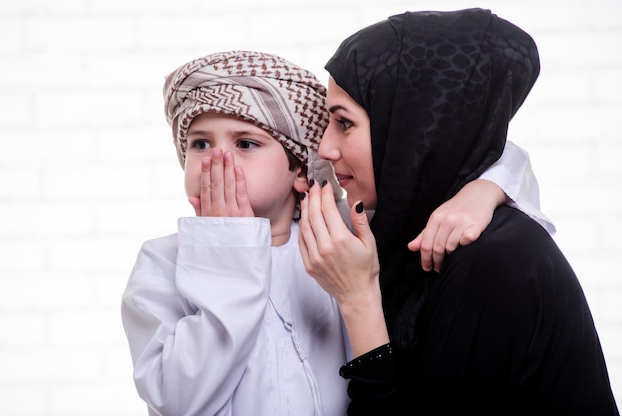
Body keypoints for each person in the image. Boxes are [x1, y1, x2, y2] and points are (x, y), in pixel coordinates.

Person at [121, 50, 553, 415]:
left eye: (246, 144)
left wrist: (483, 191)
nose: (218, 162)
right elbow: (177, 397)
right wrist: (228, 255)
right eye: (200, 144)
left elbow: (494, 158)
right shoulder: (162, 264)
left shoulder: (344, 234)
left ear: (299, 167)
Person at [298, 8, 619, 416]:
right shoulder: (411, 238)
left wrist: (358, 301)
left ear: (414, 128)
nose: (326, 147)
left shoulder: (492, 261)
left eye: (344, 123)